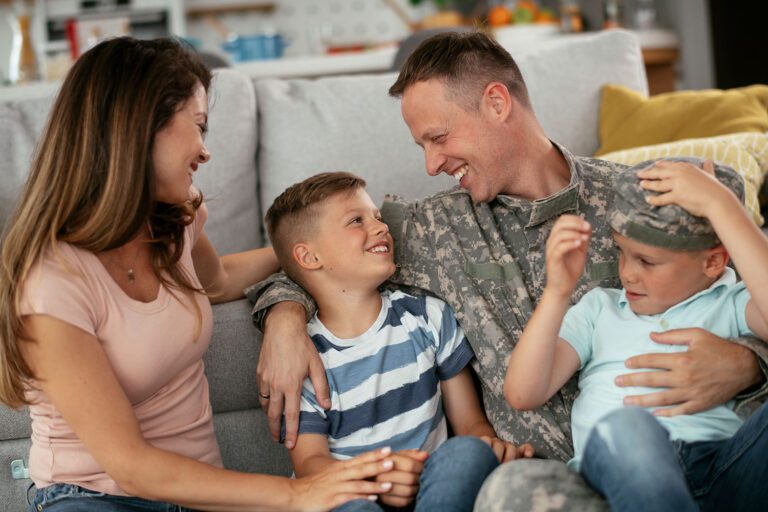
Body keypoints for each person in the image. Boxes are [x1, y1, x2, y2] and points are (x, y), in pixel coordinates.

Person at [247, 31, 768, 509]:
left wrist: (751, 364)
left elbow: (735, 284)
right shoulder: (430, 228)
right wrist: (285, 318)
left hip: (710, 450)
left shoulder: (636, 199)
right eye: (421, 147)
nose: (431, 165)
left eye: (438, 137)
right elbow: (311, 252)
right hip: (553, 482)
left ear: (497, 103)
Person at [0, 38, 396, 512]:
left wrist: (305, 264)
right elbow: (129, 465)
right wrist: (297, 493)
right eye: (199, 126)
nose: (205, 152)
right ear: (142, 127)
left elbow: (217, 281)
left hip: (196, 494)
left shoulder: (175, 220)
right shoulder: (49, 282)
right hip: (92, 496)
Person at [505, 158, 768, 511]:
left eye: (647, 261)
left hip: (722, 468)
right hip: (621, 473)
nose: (626, 274)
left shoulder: (733, 302)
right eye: (620, 253)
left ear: (713, 263)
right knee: (627, 428)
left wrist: (719, 205)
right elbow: (523, 392)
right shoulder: (600, 309)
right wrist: (557, 293)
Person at [265, 171, 535, 511]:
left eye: (377, 217)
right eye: (356, 221)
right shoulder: (304, 358)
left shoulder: (427, 316)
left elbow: (469, 423)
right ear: (309, 257)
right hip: (354, 492)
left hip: (433, 492)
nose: (380, 227)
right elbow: (311, 464)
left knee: (468, 453)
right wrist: (379, 480)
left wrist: (488, 447)